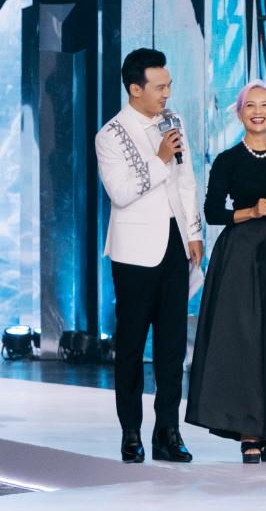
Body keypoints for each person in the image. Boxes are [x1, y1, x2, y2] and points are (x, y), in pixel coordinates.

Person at [185, 80, 266, 463]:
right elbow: (212, 212)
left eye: (264, 105)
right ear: (241, 113)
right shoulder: (228, 160)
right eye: (250, 106)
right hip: (241, 256)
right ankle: (247, 429)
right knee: (244, 341)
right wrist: (250, 211)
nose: (258, 112)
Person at [95, 47, 201, 463]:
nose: (166, 94)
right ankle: (130, 432)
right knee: (132, 345)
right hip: (134, 252)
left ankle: (168, 432)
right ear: (135, 89)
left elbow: (186, 180)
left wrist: (193, 232)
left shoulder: (174, 122)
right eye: (159, 87)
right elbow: (120, 193)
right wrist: (158, 160)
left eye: (169, 85)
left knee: (173, 346)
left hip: (175, 244)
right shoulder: (111, 134)